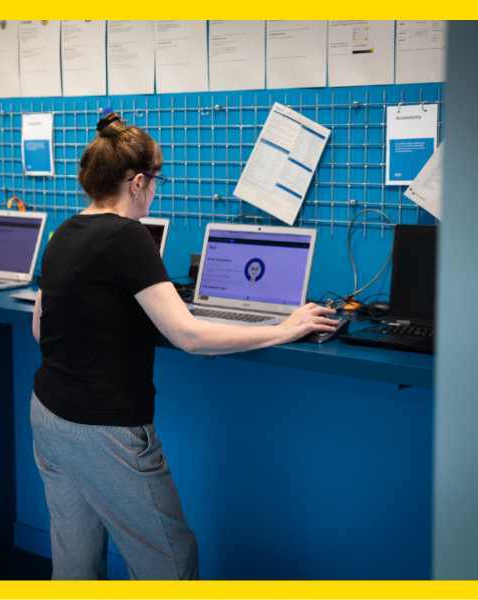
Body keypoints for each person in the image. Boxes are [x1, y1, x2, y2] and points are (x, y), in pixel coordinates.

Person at [30, 110, 337, 580]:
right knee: (170, 558)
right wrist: (286, 327)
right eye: (156, 180)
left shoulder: (62, 232)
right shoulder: (128, 235)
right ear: (136, 183)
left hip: (49, 415)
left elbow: (40, 328)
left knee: (75, 551)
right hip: (105, 428)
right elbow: (189, 335)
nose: (157, 190)